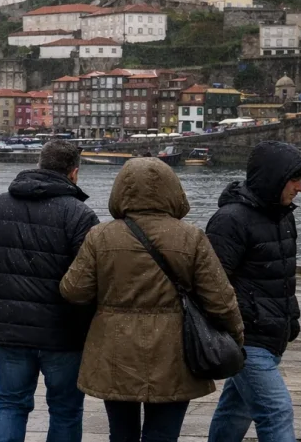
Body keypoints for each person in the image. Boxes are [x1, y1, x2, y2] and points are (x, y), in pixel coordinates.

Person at [61, 158, 243, 442]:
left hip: (115, 351)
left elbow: (74, 290)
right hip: (175, 352)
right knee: (163, 435)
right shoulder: (190, 237)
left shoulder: (101, 236)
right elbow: (221, 300)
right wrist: (235, 337)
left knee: (121, 434)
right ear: (174, 191)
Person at [0, 139, 99, 442]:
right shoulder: (79, 214)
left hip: (9, 328)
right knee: (65, 409)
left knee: (10, 404)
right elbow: (91, 278)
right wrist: (85, 324)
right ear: (74, 173)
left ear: (40, 163)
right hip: (64, 334)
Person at [206, 140, 301, 442]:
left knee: (236, 409)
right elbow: (212, 283)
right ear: (274, 178)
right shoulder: (230, 220)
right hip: (246, 336)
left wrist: (291, 317)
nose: (300, 188)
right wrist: (234, 327)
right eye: (294, 179)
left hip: (272, 332)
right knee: (276, 411)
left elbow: (282, 275)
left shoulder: (283, 216)